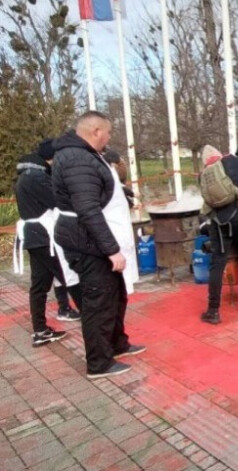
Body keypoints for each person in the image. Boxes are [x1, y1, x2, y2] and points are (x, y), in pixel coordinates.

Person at [53, 111, 146, 379]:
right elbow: (88, 210)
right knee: (99, 302)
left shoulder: (86, 155)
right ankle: (99, 363)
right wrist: (111, 250)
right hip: (87, 243)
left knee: (116, 296)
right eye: (107, 132)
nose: (109, 137)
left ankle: (118, 343)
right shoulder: (76, 159)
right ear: (95, 131)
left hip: (95, 239)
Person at [13, 139, 83, 347]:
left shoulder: (26, 176)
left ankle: (40, 330)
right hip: (44, 237)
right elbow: (58, 200)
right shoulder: (36, 177)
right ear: (51, 158)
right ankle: (95, 325)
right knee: (71, 278)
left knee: (39, 285)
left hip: (34, 237)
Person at [198, 145, 238, 324]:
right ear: (219, 154)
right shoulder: (231, 161)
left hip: (219, 223)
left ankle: (213, 311)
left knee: (217, 263)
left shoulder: (203, 174)